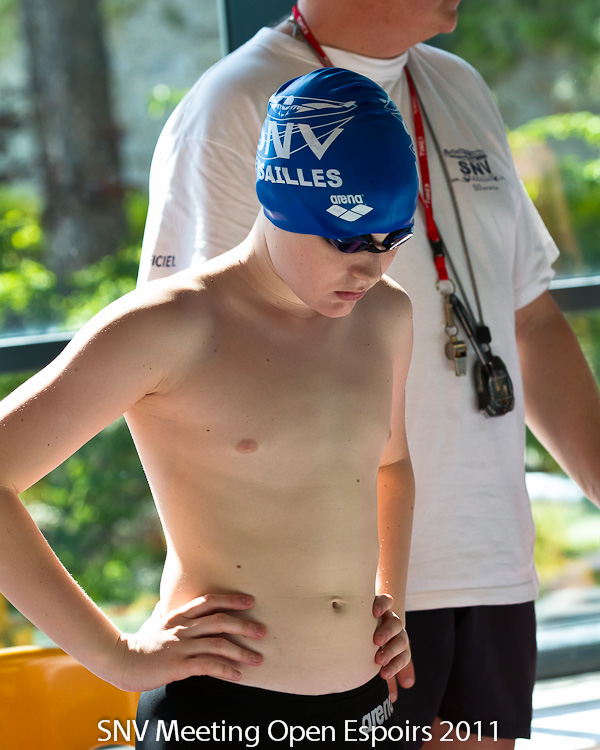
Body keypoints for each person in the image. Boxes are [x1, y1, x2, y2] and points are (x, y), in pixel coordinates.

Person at [137, 2, 600, 749]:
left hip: (485, 564)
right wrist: (125, 649)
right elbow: (175, 374)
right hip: (324, 611)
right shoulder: (235, 105)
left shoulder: (457, 86)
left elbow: (529, 320)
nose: (372, 263)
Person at [0, 68, 421, 748]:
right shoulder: (169, 327)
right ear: (278, 201)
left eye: (390, 240)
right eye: (346, 241)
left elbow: (391, 465)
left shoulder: (387, 317)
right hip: (218, 710)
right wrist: (115, 657)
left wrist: (390, 597)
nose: (369, 269)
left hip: (365, 705)